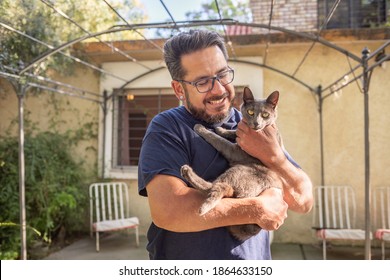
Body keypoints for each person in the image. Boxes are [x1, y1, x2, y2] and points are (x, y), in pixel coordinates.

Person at [138, 29, 313, 260]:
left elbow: (303, 201)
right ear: (179, 89)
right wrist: (256, 208)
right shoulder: (167, 128)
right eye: (202, 82)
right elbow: (168, 211)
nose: (219, 89)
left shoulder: (253, 125)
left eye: (222, 74)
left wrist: (274, 158)